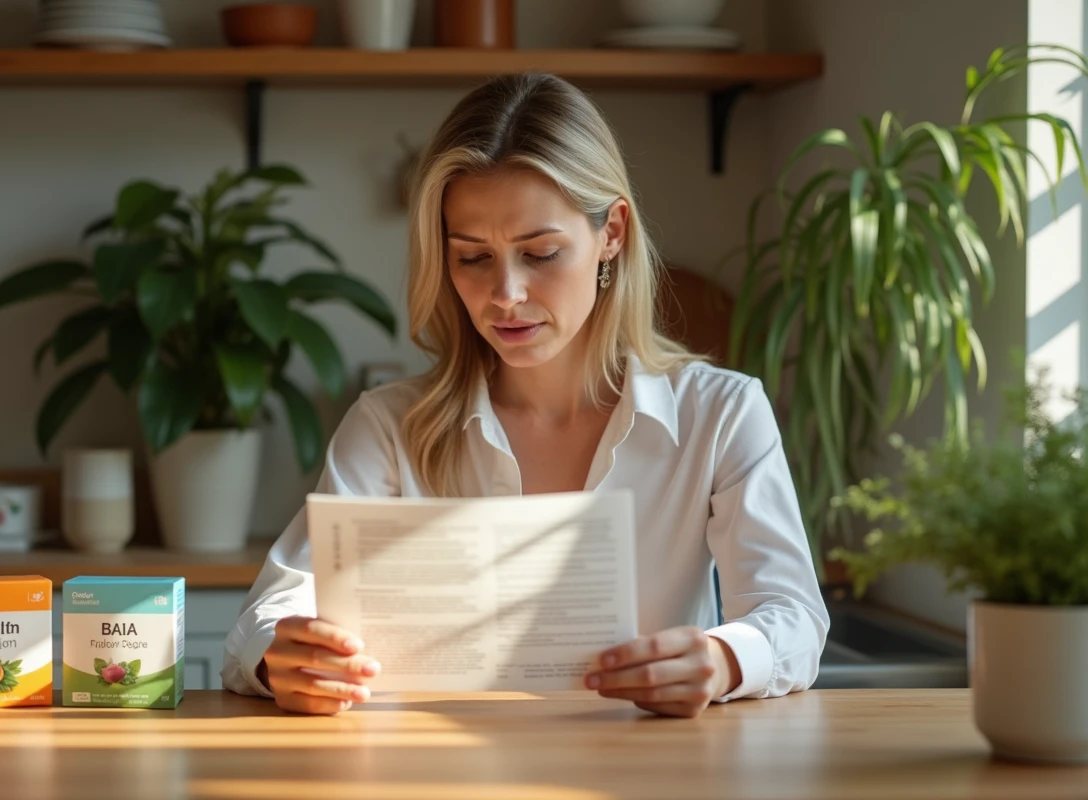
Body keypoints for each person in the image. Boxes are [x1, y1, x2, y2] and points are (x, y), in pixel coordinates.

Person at [221, 71, 829, 718]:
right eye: (473, 258)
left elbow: (792, 617)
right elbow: (266, 618)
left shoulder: (721, 413)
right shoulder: (389, 426)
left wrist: (723, 659)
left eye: (539, 253)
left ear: (612, 234)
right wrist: (279, 659)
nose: (505, 294)